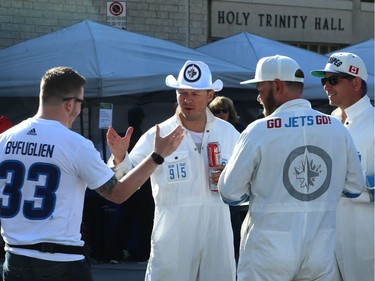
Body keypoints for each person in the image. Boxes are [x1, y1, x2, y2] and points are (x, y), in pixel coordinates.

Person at [0, 66, 184, 281]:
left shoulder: (5, 139)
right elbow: (118, 193)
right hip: (60, 262)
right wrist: (157, 156)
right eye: (81, 103)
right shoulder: (74, 144)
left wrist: (119, 158)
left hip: (14, 258)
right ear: (70, 104)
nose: (79, 110)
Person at [218, 55, 365, 281]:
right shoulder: (335, 127)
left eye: (260, 88)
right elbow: (355, 187)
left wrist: (261, 188)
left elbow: (229, 193)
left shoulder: (258, 130)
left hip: (268, 251)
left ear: (276, 86)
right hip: (320, 250)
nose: (258, 97)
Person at [107, 60, 239, 281]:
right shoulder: (158, 134)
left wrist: (231, 179)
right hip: (173, 245)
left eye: (195, 94)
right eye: (182, 92)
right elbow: (123, 180)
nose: (187, 100)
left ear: (209, 96)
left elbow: (247, 185)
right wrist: (120, 157)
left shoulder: (229, 133)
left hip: (217, 242)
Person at [311, 52, 374, 281]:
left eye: (333, 80)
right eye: (324, 80)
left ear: (356, 82)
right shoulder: (327, 124)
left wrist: (356, 188)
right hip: (329, 243)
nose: (326, 86)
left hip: (367, 244)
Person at [208, 95, 246, 262]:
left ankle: (236, 253)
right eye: (216, 111)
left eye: (224, 110)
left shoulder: (238, 130)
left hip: (232, 187)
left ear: (230, 112)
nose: (221, 113)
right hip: (210, 188)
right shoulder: (206, 130)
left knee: (233, 221)